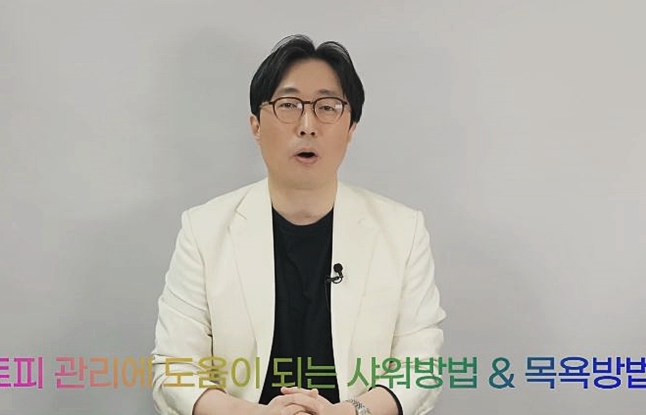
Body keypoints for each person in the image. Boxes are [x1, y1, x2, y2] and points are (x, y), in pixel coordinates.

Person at [151, 34, 447, 415]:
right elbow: (174, 369)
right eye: (288, 105)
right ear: (256, 125)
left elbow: (421, 367)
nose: (307, 125)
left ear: (351, 128)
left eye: (327, 107)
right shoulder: (204, 231)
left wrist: (347, 412)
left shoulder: (403, 232)